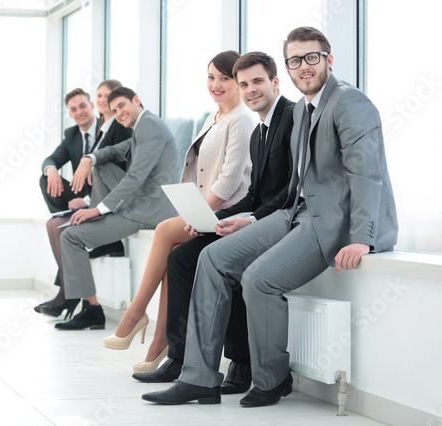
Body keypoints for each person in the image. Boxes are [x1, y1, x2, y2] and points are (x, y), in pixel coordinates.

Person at [141, 26, 398, 407]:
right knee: (211, 258)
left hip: (331, 221)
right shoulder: (307, 110)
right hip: (295, 212)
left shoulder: (350, 103)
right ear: (289, 69)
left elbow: (367, 175)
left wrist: (364, 236)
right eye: (296, 60)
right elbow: (295, 186)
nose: (304, 66)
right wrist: (255, 219)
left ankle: (272, 379)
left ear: (328, 59)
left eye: (312, 57)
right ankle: (199, 379)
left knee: (258, 279)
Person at [132, 51, 294, 394]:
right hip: (249, 216)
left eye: (255, 82)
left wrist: (247, 219)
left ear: (275, 82)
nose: (249, 89)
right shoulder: (258, 131)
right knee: (180, 258)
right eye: (245, 83)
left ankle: (238, 360)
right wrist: (212, 218)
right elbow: (254, 192)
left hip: (277, 222)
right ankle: (179, 356)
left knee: (208, 259)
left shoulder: (289, 120)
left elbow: (287, 194)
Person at [103, 51, 256, 374]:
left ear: (238, 82)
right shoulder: (213, 117)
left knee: (162, 231)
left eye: (225, 78)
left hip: (228, 212)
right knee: (174, 252)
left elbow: (230, 179)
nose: (216, 84)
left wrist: (199, 214)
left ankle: (136, 313)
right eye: (211, 76)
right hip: (206, 209)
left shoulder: (242, 118)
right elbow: (198, 169)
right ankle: (160, 342)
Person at [52, 86, 181, 330]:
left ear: (136, 100)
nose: (119, 112)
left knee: (70, 237)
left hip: (149, 211)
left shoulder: (149, 126)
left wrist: (96, 210)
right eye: (114, 110)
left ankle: (92, 310)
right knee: (100, 163)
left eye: (122, 105)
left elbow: (135, 177)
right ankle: (102, 231)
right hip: (140, 205)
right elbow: (115, 151)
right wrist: (88, 158)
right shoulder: (142, 126)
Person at [35, 83, 132, 316]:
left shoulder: (110, 128)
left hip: (103, 198)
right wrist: (52, 170)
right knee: (45, 180)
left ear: (91, 106)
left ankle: (66, 293)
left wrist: (89, 202)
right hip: (83, 197)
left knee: (56, 228)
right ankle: (69, 291)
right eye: (73, 109)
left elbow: (113, 169)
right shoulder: (72, 136)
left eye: (83, 106)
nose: (79, 112)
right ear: (69, 113)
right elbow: (51, 159)